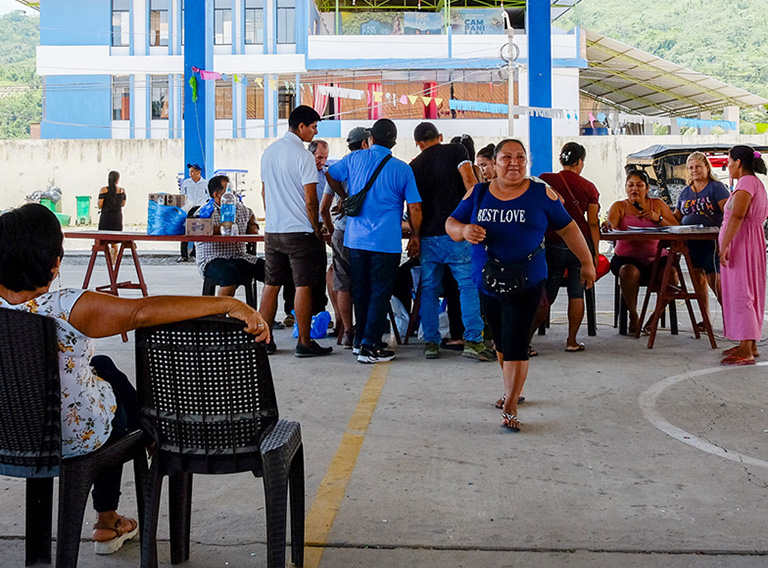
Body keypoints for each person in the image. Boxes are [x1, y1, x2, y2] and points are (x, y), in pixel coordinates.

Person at [0, 204, 269, 556]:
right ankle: (109, 516)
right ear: (54, 262)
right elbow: (142, 311)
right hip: (71, 438)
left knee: (102, 367)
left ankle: (142, 442)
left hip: (10, 432)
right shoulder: (69, 307)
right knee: (113, 410)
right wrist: (226, 306)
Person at [446, 139, 595, 432]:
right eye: (506, 157)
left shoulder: (541, 194)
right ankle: (512, 387)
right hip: (488, 281)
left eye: (519, 157)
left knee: (515, 344)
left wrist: (588, 262)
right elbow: (451, 223)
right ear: (493, 163)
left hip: (528, 279)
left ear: (527, 161)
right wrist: (463, 229)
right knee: (501, 342)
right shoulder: (478, 193)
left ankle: (511, 404)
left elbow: (569, 228)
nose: (513, 163)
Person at [326, 118, 422, 364]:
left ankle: (361, 341)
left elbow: (330, 174)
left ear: (371, 139)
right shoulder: (402, 169)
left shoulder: (354, 158)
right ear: (394, 142)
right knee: (380, 292)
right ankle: (370, 346)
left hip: (355, 239)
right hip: (385, 242)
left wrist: (345, 195)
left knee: (361, 289)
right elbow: (415, 207)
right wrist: (415, 236)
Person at [409, 121, 493, 361]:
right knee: (467, 286)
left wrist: (415, 235)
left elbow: (414, 206)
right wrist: (476, 217)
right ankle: (474, 341)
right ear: (441, 136)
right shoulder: (457, 151)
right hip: (456, 232)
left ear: (419, 144)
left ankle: (431, 343)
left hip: (427, 236)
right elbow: (470, 182)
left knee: (429, 289)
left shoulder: (414, 165)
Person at [259, 105, 331, 358]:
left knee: (271, 284)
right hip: (300, 232)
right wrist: (316, 228)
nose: (314, 131)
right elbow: (311, 201)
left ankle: (264, 339)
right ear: (301, 126)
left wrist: (274, 218)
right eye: (313, 127)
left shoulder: (268, 153)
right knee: (304, 286)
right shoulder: (303, 157)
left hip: (273, 231)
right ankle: (304, 341)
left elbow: (264, 193)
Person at [536, 142, 600, 352]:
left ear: (561, 159)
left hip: (553, 242)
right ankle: (572, 341)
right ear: (580, 162)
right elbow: (592, 222)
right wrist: (593, 253)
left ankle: (526, 340)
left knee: (548, 293)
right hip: (580, 244)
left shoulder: (545, 179)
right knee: (576, 292)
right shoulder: (589, 187)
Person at [605, 170, 678, 334]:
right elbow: (611, 224)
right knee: (628, 272)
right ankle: (633, 314)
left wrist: (657, 218)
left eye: (639, 185)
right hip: (627, 259)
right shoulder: (619, 206)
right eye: (630, 185)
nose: (634, 189)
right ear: (625, 188)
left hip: (657, 259)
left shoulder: (657, 204)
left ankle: (655, 316)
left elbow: (676, 228)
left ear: (647, 189)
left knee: (672, 275)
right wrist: (608, 225)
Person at [718, 146, 768, 366]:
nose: (727, 165)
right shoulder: (753, 183)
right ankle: (749, 342)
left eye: (728, 161)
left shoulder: (747, 183)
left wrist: (726, 244)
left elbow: (738, 215)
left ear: (738, 162)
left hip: (743, 243)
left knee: (742, 292)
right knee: (747, 291)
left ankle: (746, 349)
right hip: (749, 240)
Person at [320, 127, 369, 348]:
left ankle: (348, 333)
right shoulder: (370, 163)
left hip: (340, 231)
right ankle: (366, 330)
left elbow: (323, 209)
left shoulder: (341, 167)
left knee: (342, 282)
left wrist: (331, 232)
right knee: (365, 281)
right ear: (366, 143)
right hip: (365, 232)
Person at [673, 152, 730, 328]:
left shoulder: (716, 187)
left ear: (706, 167)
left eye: (698, 166)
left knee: (715, 281)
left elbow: (728, 213)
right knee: (698, 281)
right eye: (691, 167)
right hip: (691, 242)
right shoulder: (685, 192)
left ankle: (732, 319)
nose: (694, 170)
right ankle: (706, 320)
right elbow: (677, 216)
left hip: (711, 242)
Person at [194, 175, 263, 297]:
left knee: (273, 271)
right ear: (216, 195)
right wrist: (221, 230)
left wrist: (253, 227)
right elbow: (197, 228)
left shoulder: (240, 209)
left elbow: (252, 218)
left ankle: (286, 311)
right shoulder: (205, 212)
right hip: (213, 259)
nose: (233, 195)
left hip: (239, 257)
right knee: (230, 274)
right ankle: (219, 313)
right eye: (228, 191)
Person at [178, 163, 208, 262]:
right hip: (189, 208)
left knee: (198, 231)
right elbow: (182, 195)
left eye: (192, 171)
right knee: (185, 231)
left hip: (200, 208)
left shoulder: (205, 183)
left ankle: (195, 254)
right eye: (189, 171)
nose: (190, 173)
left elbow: (208, 197)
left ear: (198, 172)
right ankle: (184, 255)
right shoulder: (186, 183)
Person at [97, 170, 126, 263]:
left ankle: (108, 258)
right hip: (117, 217)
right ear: (118, 180)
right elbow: (123, 204)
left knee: (104, 238)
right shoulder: (122, 191)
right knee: (115, 240)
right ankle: (114, 261)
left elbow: (100, 204)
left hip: (106, 216)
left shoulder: (104, 190)